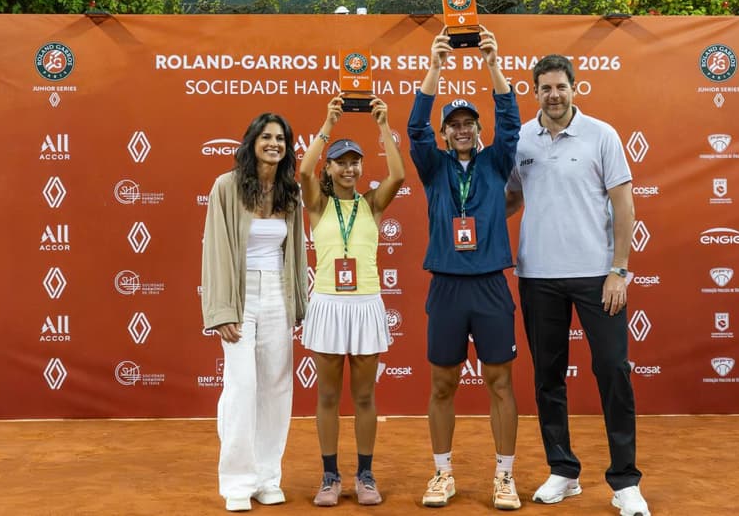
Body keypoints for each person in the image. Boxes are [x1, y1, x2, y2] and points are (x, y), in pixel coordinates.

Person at [505, 54, 650, 516]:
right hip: (536, 276)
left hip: (596, 277)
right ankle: (563, 470)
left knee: (613, 371)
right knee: (548, 379)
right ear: (535, 92)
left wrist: (619, 269)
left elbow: (624, 205)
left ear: (574, 88)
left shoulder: (601, 135)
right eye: (545, 88)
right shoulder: (521, 137)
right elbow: (510, 196)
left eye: (560, 87)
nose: (553, 95)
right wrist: (472, 219)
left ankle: (625, 481)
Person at [407, 25, 522, 510]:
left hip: (492, 284)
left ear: (477, 128)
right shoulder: (433, 167)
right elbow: (414, 128)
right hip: (448, 288)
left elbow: (512, 120)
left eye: (468, 122)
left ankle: (504, 476)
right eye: (453, 123)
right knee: (443, 383)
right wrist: (435, 66)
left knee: (500, 382)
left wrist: (492, 60)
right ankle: (442, 473)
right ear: (445, 132)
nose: (461, 128)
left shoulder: (496, 162)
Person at [299, 95, 405, 507]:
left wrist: (382, 124)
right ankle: (329, 475)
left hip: (365, 304)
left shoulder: (372, 204)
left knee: (363, 398)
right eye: (341, 162)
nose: (349, 168)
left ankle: (364, 473)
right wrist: (328, 122)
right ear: (330, 168)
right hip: (327, 302)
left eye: (355, 162)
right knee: (327, 397)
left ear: (362, 168)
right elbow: (304, 169)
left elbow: (397, 173)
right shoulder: (318, 204)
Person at [201, 113, 308, 513]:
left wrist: (297, 300)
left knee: (277, 388)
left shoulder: (290, 192)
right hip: (239, 294)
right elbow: (215, 250)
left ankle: (267, 478)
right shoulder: (226, 187)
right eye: (266, 137)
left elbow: (294, 252)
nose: (274, 144)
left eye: (280, 138)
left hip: (277, 293)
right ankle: (237, 483)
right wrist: (222, 309)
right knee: (242, 387)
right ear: (252, 142)